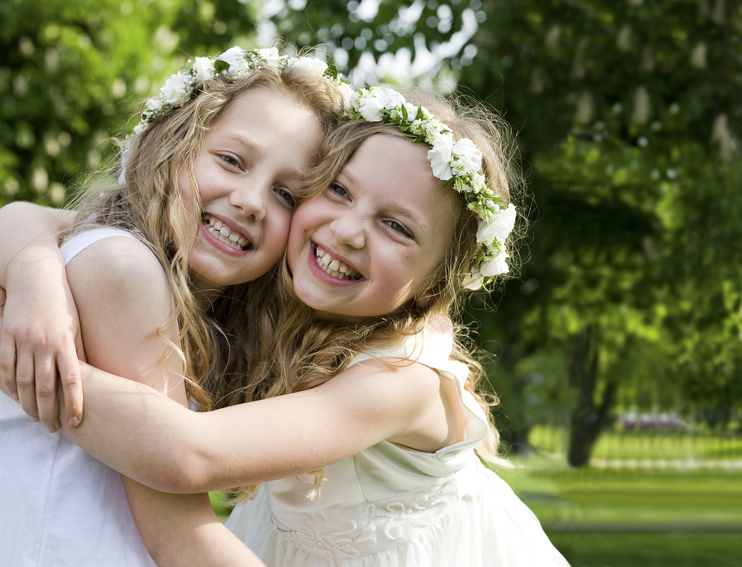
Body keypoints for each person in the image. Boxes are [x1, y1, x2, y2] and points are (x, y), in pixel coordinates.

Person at [2, 87, 570, 566]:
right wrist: (32, 273)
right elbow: (37, 219)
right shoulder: (264, 308)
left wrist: (40, 364)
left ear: (432, 285)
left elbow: (188, 456)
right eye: (338, 192)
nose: (349, 231)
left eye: (396, 226)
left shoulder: (399, 379)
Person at [0, 46, 350, 566]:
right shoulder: (125, 268)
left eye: (286, 195)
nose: (251, 201)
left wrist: (30, 267)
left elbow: (24, 215)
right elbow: (178, 534)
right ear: (161, 148)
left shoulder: (104, 258)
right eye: (231, 161)